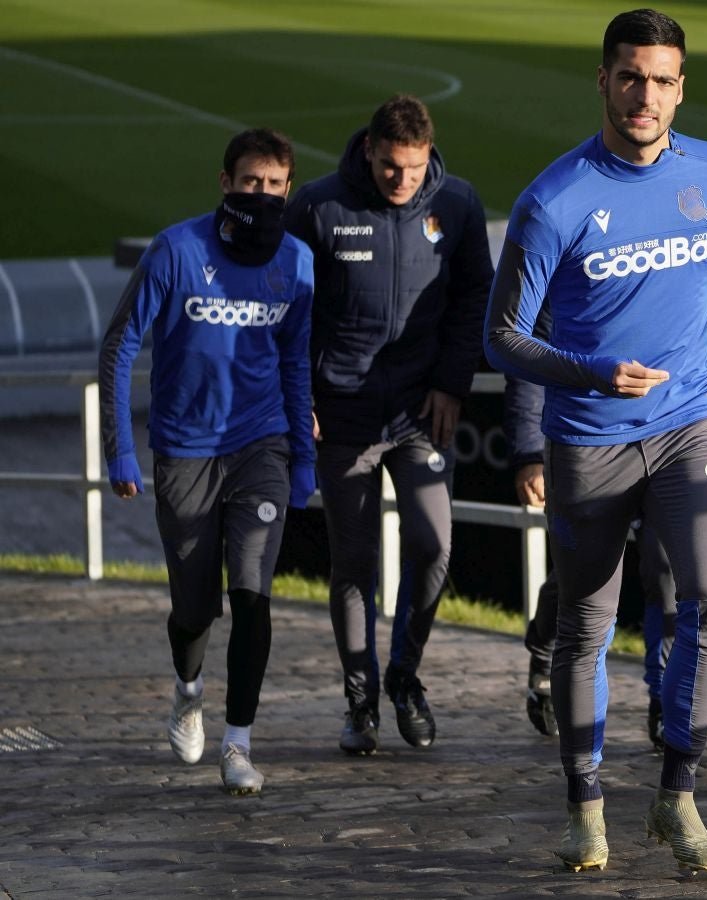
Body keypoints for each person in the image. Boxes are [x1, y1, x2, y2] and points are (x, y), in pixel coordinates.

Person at [485, 8, 707, 876]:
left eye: (661, 80)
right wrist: (586, 371)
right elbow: (501, 338)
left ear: (681, 87)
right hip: (588, 439)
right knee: (587, 624)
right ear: (603, 81)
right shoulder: (555, 199)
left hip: (689, 423)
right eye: (629, 77)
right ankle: (585, 807)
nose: (644, 95)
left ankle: (677, 797)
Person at [99, 128, 316, 796]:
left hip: (261, 445)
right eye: (252, 182)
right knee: (195, 607)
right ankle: (188, 688)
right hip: (184, 451)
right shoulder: (176, 250)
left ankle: (239, 744)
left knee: (251, 591)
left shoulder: (299, 262)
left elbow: (294, 362)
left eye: (276, 185)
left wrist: (303, 461)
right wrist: (120, 452)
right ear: (225, 184)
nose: (263, 195)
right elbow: (119, 347)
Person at [283, 94, 494, 755]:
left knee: (434, 543)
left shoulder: (455, 205)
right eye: (389, 167)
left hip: (418, 413)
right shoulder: (318, 207)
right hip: (342, 413)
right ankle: (359, 697)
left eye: (413, 167)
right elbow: (288, 313)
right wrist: (301, 398)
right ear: (369, 149)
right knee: (355, 559)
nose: (400, 180)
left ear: (427, 155)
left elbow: (473, 300)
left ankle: (404, 676)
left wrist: (450, 383)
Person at [504, 305, 677, 748]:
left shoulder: (681, 245)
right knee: (580, 577)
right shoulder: (574, 259)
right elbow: (527, 358)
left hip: (669, 442)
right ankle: (544, 651)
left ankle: (663, 704)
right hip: (588, 444)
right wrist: (528, 454)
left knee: (666, 574)